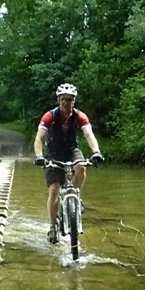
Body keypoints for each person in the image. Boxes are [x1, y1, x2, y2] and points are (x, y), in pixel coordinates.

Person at [33, 83, 104, 243]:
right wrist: (39, 156)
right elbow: (39, 138)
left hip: (71, 150)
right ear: (58, 100)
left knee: (81, 167)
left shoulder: (79, 116)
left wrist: (96, 152)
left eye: (70, 99)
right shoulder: (49, 116)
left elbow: (88, 134)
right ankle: (52, 227)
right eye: (63, 99)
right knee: (54, 189)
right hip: (53, 152)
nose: (66, 102)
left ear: (74, 101)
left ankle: (76, 196)